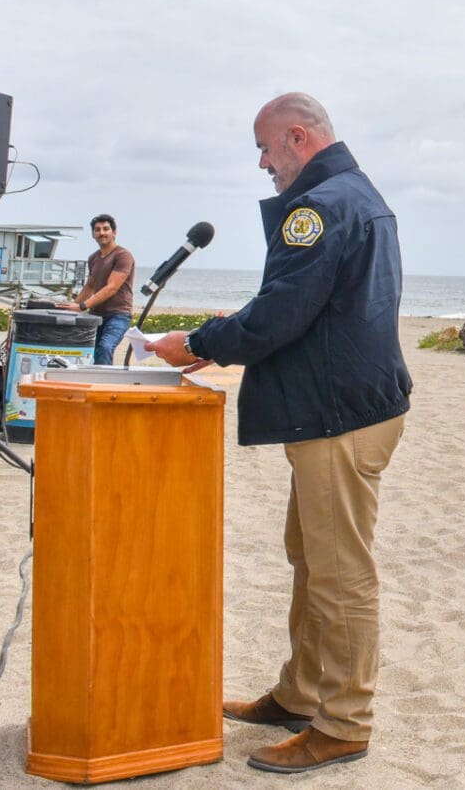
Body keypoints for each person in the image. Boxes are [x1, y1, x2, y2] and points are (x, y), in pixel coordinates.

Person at [147, 93, 413, 776]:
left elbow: (282, 315)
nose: (263, 163)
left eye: (266, 149)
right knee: (311, 555)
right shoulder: (357, 194)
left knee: (339, 573)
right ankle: (300, 694)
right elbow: (305, 304)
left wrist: (197, 340)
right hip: (353, 404)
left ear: (299, 137)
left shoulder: (317, 208)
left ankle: (344, 724)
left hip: (338, 416)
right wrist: (225, 337)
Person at [61, 213, 134, 365]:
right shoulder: (93, 258)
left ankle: (105, 386)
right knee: (88, 350)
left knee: (105, 347)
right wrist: (71, 307)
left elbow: (112, 287)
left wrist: (83, 306)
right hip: (96, 314)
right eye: (97, 230)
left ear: (114, 232)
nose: (101, 233)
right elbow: (90, 286)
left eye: (106, 229)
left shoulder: (123, 256)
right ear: (93, 234)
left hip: (118, 314)